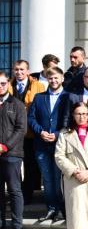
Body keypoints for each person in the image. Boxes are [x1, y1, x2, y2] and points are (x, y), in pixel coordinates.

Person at [28, 66, 71, 223]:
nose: (53, 81)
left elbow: (72, 120)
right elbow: (31, 118)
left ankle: (62, 210)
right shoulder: (39, 98)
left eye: (56, 78)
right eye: (50, 78)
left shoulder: (68, 97)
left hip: (61, 145)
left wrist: (58, 134)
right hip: (42, 145)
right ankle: (51, 209)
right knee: (47, 179)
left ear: (62, 79)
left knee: (59, 179)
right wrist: (41, 131)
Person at [11, 59, 47, 203]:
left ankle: (27, 195)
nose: (19, 72)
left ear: (28, 70)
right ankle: (15, 194)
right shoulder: (7, 86)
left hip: (31, 133)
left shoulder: (38, 86)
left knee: (30, 164)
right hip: (12, 134)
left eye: (22, 69)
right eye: (16, 69)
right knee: (13, 166)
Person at [0, 72, 26, 229]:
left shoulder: (16, 104)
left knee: (14, 190)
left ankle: (16, 226)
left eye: (3, 83)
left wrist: (4, 146)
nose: (0, 86)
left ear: (8, 84)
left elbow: (21, 129)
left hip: (12, 154)